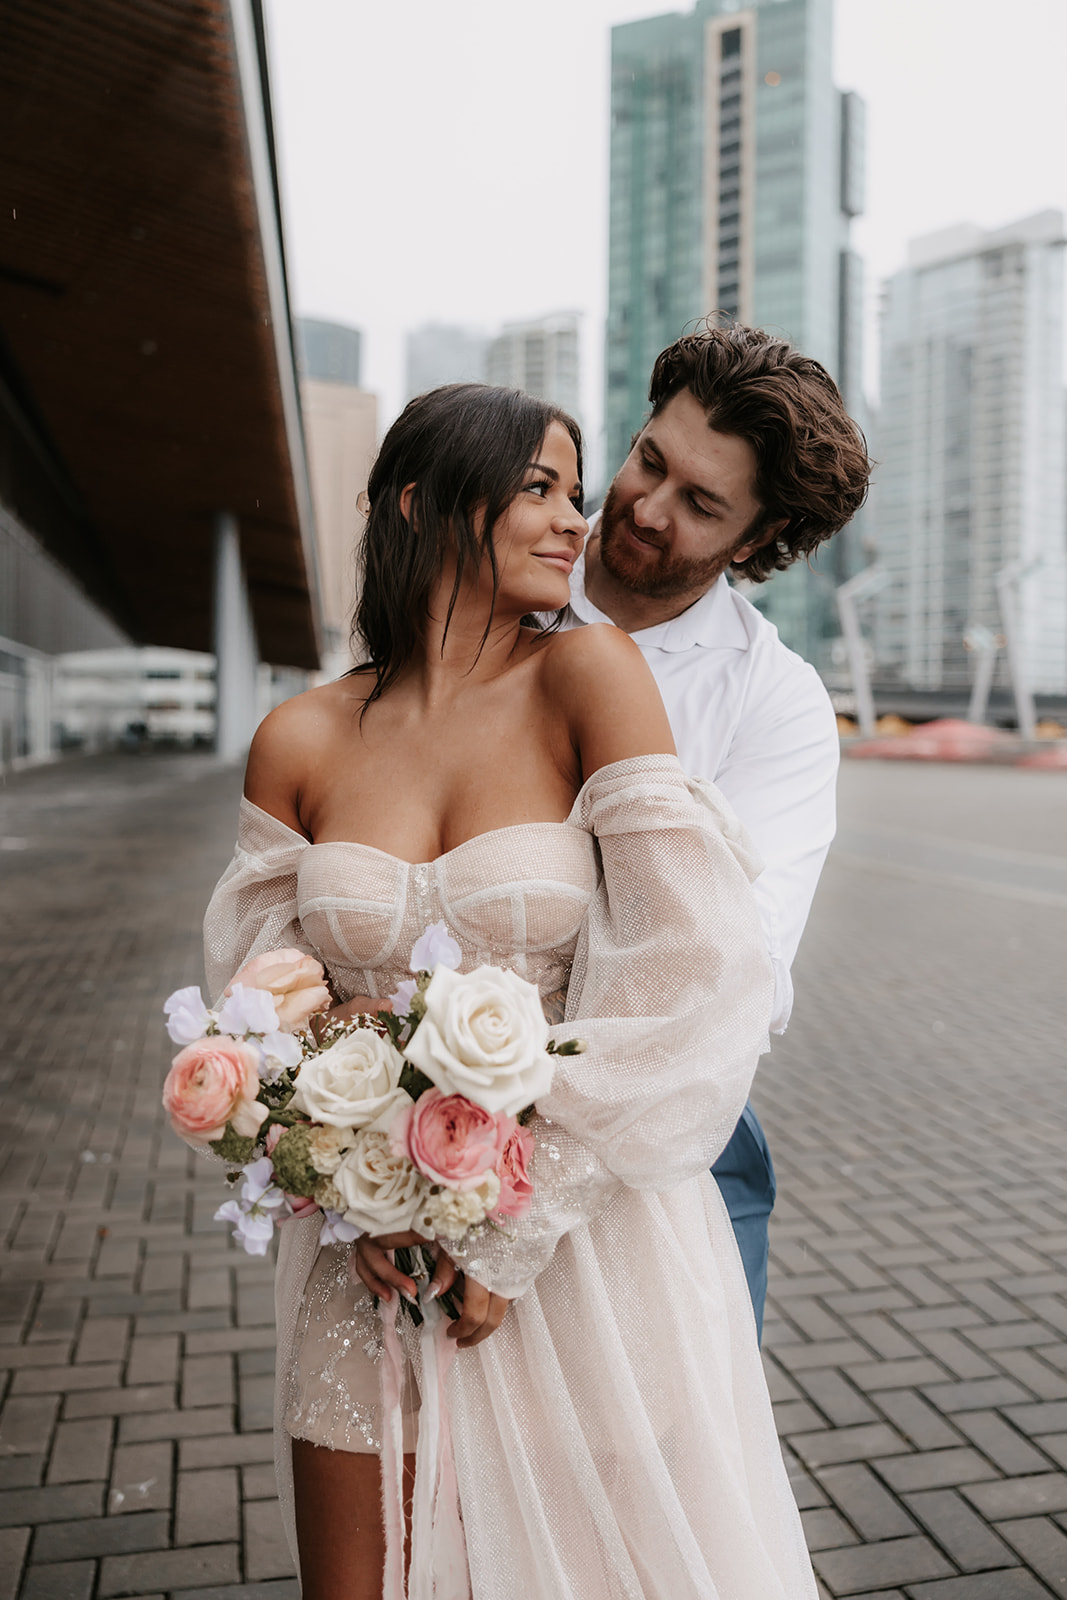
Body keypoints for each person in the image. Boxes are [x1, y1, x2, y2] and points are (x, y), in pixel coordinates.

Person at [203, 382, 818, 1599]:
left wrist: (515, 1222)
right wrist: (352, 1182)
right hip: (364, 1260)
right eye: (539, 487)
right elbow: (258, 998)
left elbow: (689, 974)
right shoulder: (298, 739)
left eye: (573, 492)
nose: (577, 521)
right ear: (423, 502)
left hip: (577, 1238)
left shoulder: (589, 674)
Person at [568, 325, 871, 1337]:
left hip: (675, 1129)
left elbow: (734, 976)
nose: (645, 508)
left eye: (699, 504)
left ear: (756, 534)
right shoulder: (488, 583)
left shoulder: (772, 702)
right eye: (647, 460)